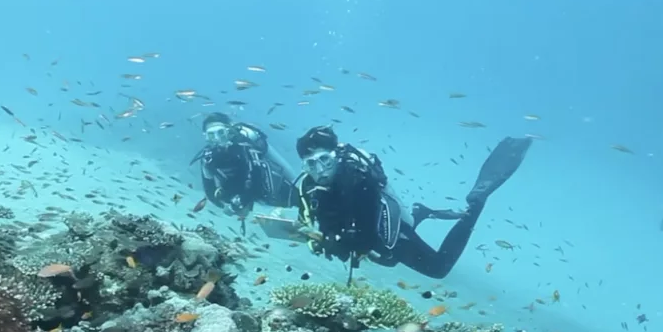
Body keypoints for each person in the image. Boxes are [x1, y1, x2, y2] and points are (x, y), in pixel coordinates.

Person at [292, 125, 532, 279]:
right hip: (366, 231)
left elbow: (366, 237)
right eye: (311, 164)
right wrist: (316, 238)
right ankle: (420, 212)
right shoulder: (309, 185)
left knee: (437, 268)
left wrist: (333, 244)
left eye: (324, 160)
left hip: (384, 229)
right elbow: (313, 218)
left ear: (335, 157)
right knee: (388, 260)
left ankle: (476, 203)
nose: (320, 169)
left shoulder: (357, 179)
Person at [192, 113, 299, 220]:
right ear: (206, 137)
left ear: (229, 131)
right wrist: (226, 205)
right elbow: (209, 188)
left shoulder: (245, 146)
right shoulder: (208, 158)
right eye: (211, 135)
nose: (217, 138)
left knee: (295, 198)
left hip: (266, 185)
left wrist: (241, 202)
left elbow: (257, 177)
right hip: (242, 190)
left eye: (221, 132)